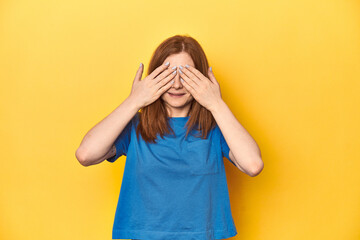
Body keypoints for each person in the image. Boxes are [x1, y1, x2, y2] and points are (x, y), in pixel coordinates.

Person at [75, 34, 263, 240]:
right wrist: (134, 101)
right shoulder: (135, 127)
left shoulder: (216, 128)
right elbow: (86, 154)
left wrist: (216, 104)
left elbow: (253, 165)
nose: (176, 85)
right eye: (167, 74)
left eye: (186, 75)